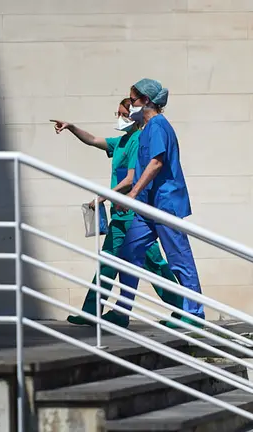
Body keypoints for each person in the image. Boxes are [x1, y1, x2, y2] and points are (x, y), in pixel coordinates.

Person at [49, 99, 184, 327]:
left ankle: (183, 308)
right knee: (109, 262)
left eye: (124, 114)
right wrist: (71, 128)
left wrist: (102, 197)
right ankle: (96, 312)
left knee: (155, 265)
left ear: (134, 116)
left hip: (134, 216)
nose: (120, 118)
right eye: (118, 113)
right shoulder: (121, 142)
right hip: (120, 217)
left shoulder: (138, 141)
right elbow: (93, 140)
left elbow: (131, 178)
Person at [113, 78, 205, 330]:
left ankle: (194, 314)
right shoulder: (145, 129)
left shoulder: (158, 127)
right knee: (128, 253)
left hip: (165, 203)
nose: (129, 105)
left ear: (145, 101)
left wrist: (131, 196)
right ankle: (121, 311)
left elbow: (156, 164)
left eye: (132, 100)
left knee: (179, 258)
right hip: (146, 205)